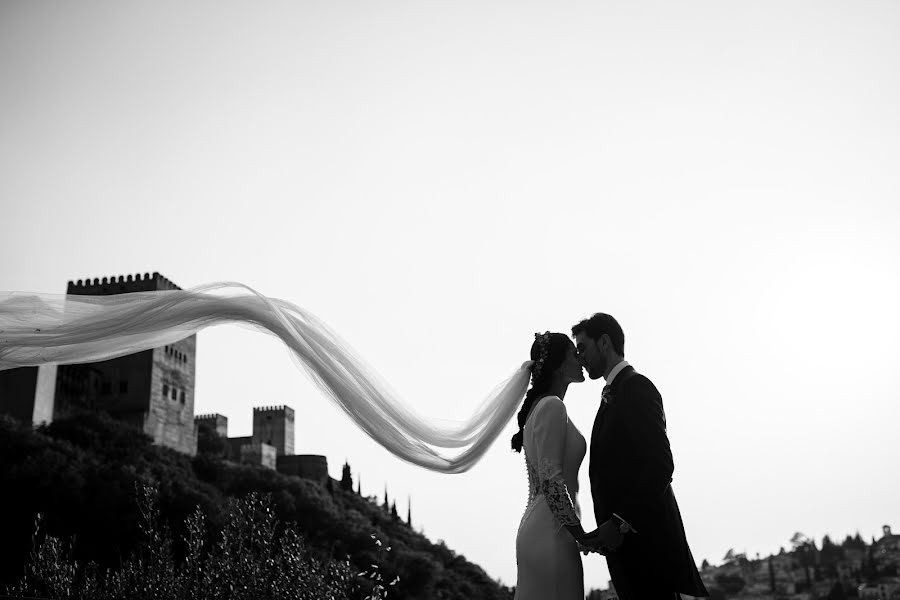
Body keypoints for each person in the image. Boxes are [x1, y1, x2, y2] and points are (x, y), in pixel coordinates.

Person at [573, 313, 708, 599]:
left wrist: (620, 521)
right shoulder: (613, 393)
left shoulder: (636, 387)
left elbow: (660, 465)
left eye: (583, 347)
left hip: (648, 551)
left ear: (605, 342)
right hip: (627, 552)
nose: (580, 357)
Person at [510, 331, 619, 599]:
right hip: (551, 534)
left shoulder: (542, 408)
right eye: (574, 353)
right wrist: (580, 534)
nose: (581, 358)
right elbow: (551, 482)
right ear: (559, 365)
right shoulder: (552, 407)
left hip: (547, 529)